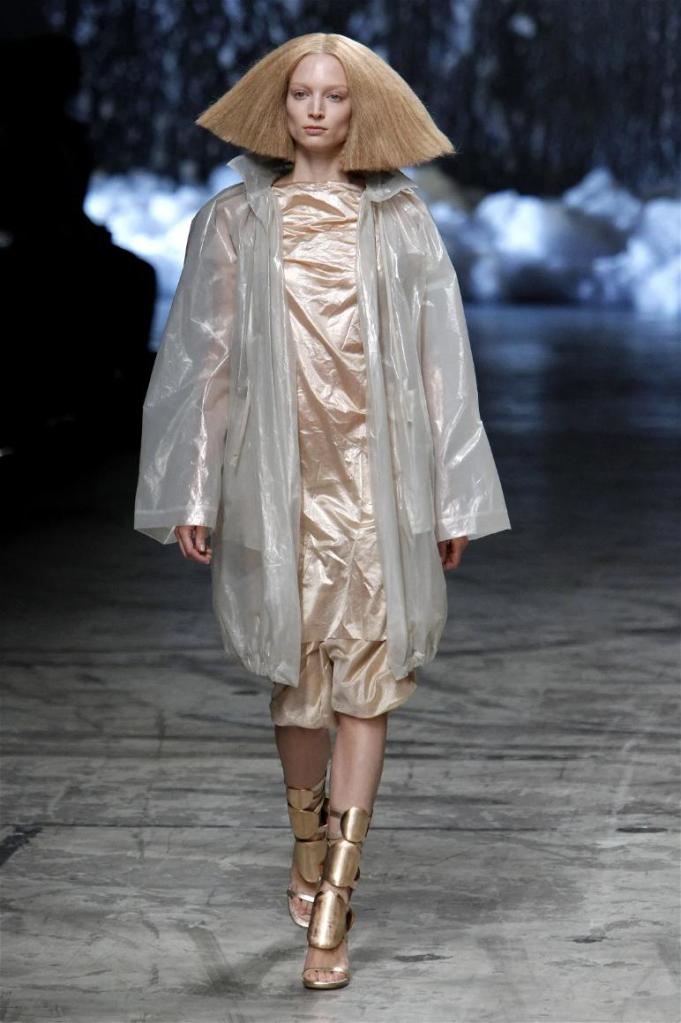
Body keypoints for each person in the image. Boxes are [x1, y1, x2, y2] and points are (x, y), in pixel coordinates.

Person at [134, 32, 511, 990]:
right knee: (295, 680)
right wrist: (193, 484)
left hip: (378, 482)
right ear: (280, 104)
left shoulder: (400, 220)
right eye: (300, 92)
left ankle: (336, 896)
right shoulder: (234, 220)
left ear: (358, 109)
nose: (314, 109)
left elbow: (439, 361)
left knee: (367, 682)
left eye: (333, 96)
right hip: (276, 479)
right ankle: (306, 846)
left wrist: (453, 494)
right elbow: (203, 357)